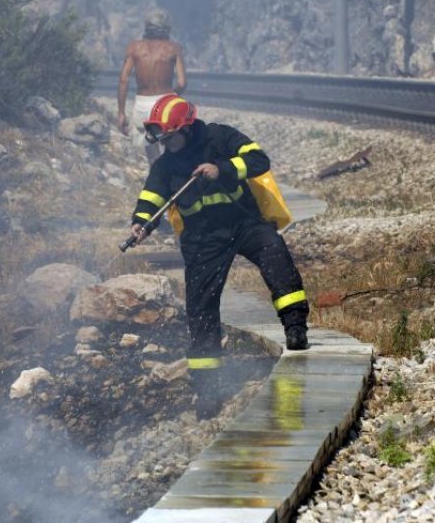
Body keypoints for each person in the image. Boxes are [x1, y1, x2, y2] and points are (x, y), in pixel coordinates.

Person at [127, 94, 310, 418]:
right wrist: (140, 225)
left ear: (186, 128)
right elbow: (151, 198)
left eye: (170, 138)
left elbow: (258, 160)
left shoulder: (219, 136)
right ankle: (208, 390)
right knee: (201, 309)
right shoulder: (165, 165)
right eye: (162, 140)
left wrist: (222, 168)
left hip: (243, 222)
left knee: (275, 254)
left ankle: (295, 328)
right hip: (202, 240)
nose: (166, 145)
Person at [117, 8, 187, 165]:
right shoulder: (173, 49)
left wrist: (121, 112)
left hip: (142, 104)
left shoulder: (134, 48)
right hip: (165, 104)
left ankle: (157, 176)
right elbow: (182, 83)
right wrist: (172, 97)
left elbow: (123, 80)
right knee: (172, 145)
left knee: (150, 147)